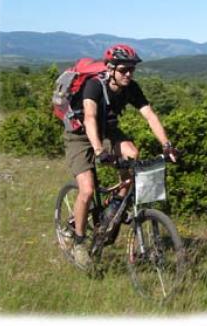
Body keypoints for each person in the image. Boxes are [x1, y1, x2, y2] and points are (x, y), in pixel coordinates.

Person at [63, 44, 177, 268]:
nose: (129, 74)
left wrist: (167, 145)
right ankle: (78, 242)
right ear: (111, 68)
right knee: (86, 189)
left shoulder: (131, 88)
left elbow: (150, 116)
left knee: (132, 155)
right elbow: (90, 117)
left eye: (132, 70)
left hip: (108, 131)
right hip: (79, 135)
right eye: (124, 69)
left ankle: (114, 206)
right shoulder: (94, 86)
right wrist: (98, 150)